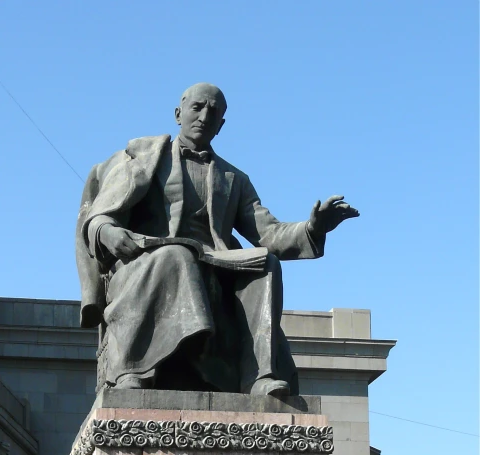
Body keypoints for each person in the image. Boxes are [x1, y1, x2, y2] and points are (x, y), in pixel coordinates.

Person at [76, 83, 358, 396]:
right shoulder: (141, 160)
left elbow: (269, 234)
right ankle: (136, 370)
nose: (204, 116)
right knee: (176, 256)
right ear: (178, 113)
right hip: (146, 260)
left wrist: (314, 228)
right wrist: (108, 232)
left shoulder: (234, 178)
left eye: (214, 112)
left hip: (215, 263)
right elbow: (99, 218)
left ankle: (259, 377)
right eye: (197, 107)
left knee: (266, 264)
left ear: (221, 125)